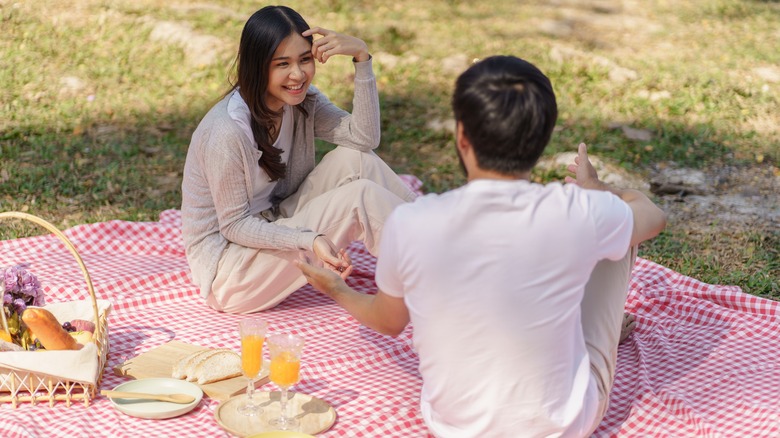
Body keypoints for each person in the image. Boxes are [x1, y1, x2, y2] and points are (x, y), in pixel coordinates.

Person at [296, 55, 667, 437]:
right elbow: (653, 216)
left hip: (454, 426)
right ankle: (596, 338)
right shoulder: (575, 211)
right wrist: (599, 190)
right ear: (540, 143)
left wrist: (336, 288)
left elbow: (388, 322)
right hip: (562, 425)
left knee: (608, 228)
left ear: (462, 138)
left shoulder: (412, 223)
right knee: (620, 228)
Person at [181, 5, 417, 314]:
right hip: (232, 272)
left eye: (304, 59)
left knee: (357, 160)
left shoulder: (301, 102)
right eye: (283, 64)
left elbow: (364, 139)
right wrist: (309, 238)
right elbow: (235, 226)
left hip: (276, 223)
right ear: (257, 67)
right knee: (359, 198)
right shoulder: (226, 132)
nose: (298, 74)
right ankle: (444, 276)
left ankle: (442, 239)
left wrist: (362, 58)